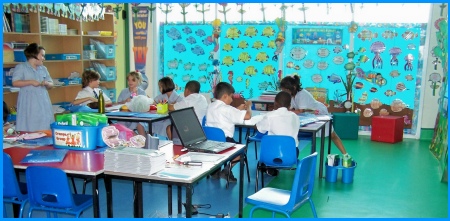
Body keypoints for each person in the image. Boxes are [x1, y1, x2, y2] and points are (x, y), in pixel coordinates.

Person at [280, 75, 351, 158]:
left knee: (332, 135)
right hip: (308, 115)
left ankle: (346, 154)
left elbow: (300, 111)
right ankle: (290, 156)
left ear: (294, 87)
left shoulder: (302, 94)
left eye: (285, 89)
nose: (283, 91)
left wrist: (285, 111)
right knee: (296, 133)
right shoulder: (292, 95)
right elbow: (291, 108)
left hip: (319, 113)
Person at [206, 82, 252, 182]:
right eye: (231, 97)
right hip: (225, 142)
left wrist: (236, 109)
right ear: (225, 96)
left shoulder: (211, 106)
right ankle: (227, 170)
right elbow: (248, 116)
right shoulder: (227, 109)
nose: (232, 99)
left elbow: (226, 113)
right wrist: (248, 106)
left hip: (210, 142)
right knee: (243, 149)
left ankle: (215, 170)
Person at [255, 91, 300, 176]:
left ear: (275, 103)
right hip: (292, 155)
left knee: (267, 140)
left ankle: (270, 168)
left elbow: (259, 129)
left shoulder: (269, 116)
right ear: (290, 105)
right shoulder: (295, 117)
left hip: (270, 154)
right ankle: (272, 168)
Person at [12, 43, 55, 131]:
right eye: (42, 55)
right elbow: (15, 82)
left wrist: (47, 83)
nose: (44, 58)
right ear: (34, 55)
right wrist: (31, 82)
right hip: (29, 102)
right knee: (30, 125)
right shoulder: (21, 67)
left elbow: (51, 84)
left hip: (43, 101)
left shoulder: (43, 69)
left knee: (45, 125)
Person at [116, 71, 147, 136]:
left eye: (133, 80)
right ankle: (133, 138)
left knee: (140, 123)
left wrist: (137, 95)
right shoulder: (124, 91)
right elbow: (118, 104)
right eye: (129, 80)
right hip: (124, 116)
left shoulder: (142, 92)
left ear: (138, 81)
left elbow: (143, 106)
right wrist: (125, 101)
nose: (130, 82)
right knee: (120, 125)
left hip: (137, 116)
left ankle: (143, 141)